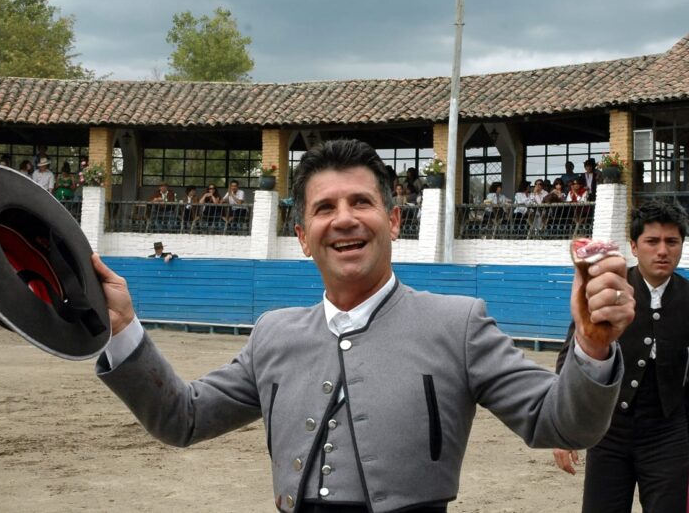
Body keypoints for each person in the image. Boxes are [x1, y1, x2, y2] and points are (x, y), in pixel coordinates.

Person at [91, 139, 634, 513]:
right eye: (324, 208)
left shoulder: (457, 324)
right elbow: (182, 419)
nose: (345, 219)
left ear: (393, 221)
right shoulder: (274, 333)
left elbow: (560, 424)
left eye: (361, 202)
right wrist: (123, 327)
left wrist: (592, 345)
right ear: (303, 237)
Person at [553, 200, 689, 513]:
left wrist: (682, 446)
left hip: (667, 433)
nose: (662, 251)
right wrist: (563, 428)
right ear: (634, 246)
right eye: (652, 241)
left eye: (671, 241)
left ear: (682, 245)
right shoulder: (606, 291)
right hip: (609, 431)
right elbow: (571, 356)